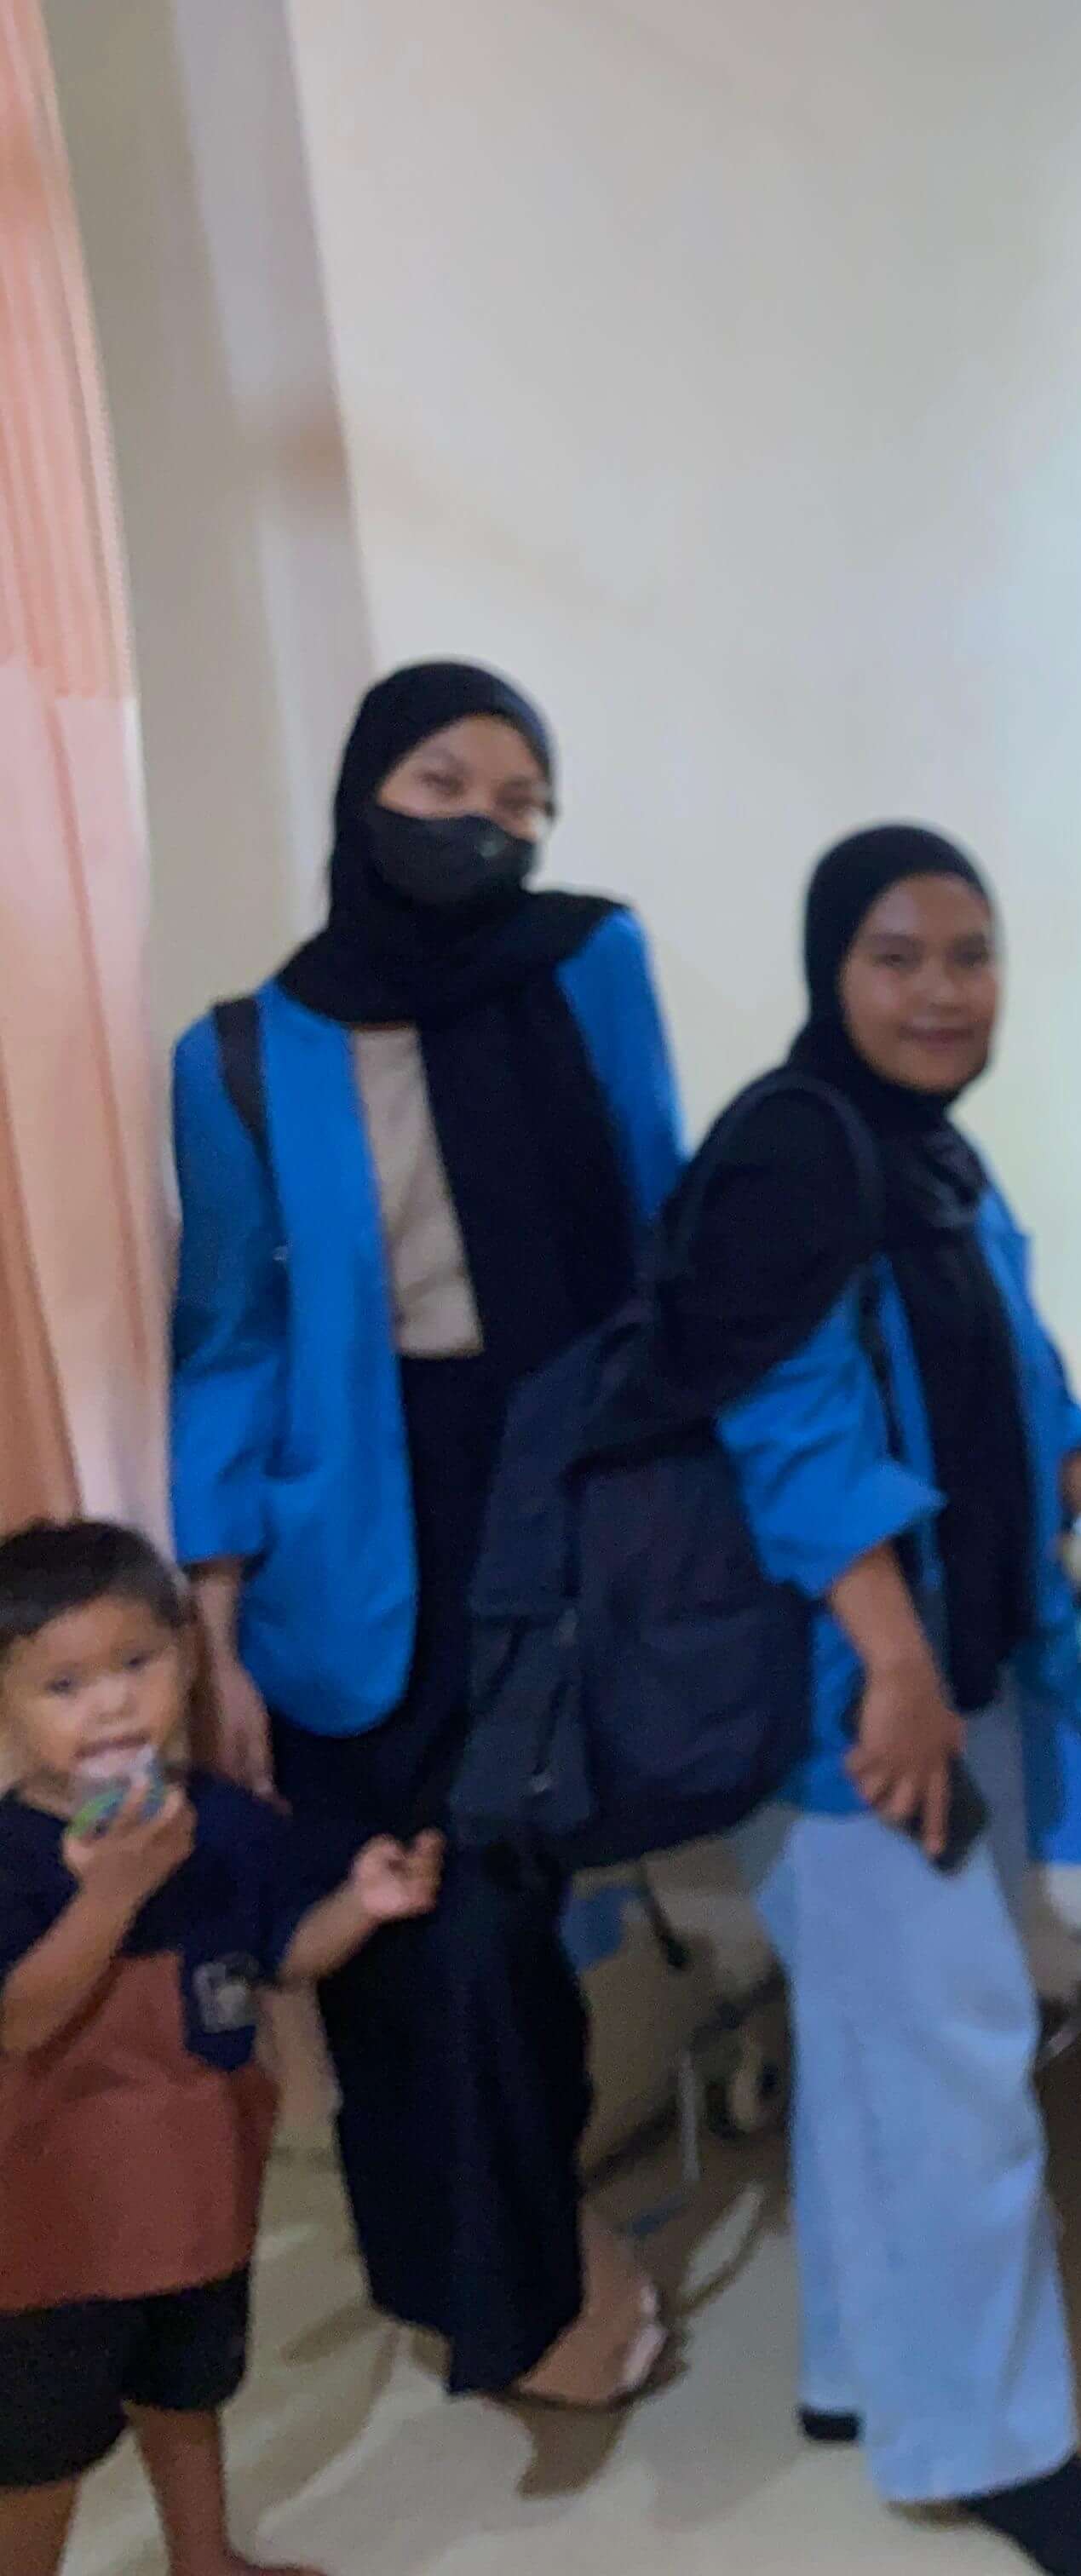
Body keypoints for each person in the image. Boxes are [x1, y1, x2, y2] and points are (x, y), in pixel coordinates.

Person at [642, 826, 1081, 2576]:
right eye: (899, 956)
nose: (943, 990)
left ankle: (861, 2373)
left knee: (881, 2048)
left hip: (951, 1665)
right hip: (849, 1707)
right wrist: (900, 1669)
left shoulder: (924, 1156)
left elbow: (1024, 1388)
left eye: (970, 955)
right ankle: (996, 2448)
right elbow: (791, 1438)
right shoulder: (792, 1153)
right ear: (829, 970)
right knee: (957, 2066)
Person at [166, 661, 682, 2407]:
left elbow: (658, 1211)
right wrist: (213, 1629)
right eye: (445, 785)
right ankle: (483, 2278)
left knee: (500, 1915)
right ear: (364, 794)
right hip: (345, 1549)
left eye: (522, 802)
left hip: (557, 1493)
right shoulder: (243, 1054)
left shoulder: (588, 962)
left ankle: (525, 2268)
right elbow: (227, 1339)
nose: (485, 827)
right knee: (392, 1938)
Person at [0, 1522, 444, 2576]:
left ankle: (206, 2562)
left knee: (188, 2393)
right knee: (41, 2456)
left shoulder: (229, 1822)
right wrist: (111, 1895)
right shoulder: (10, 1855)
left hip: (198, 2196)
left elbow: (284, 1955)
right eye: (64, 1686)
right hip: (53, 2227)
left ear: (189, 1660)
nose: (112, 1706)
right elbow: (19, 2020)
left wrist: (360, 1907)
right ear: (7, 1706)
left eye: (137, 1665)